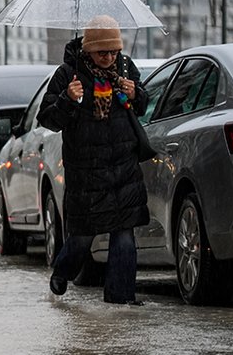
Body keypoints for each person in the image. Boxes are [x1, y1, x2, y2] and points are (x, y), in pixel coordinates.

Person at [37, 15, 149, 305]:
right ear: (88, 50)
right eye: (102, 52)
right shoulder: (68, 74)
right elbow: (47, 119)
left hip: (123, 166)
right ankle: (62, 273)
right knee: (83, 236)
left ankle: (120, 299)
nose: (109, 58)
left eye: (113, 52)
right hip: (86, 169)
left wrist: (136, 92)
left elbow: (143, 105)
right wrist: (66, 98)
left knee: (124, 235)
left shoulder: (125, 69)